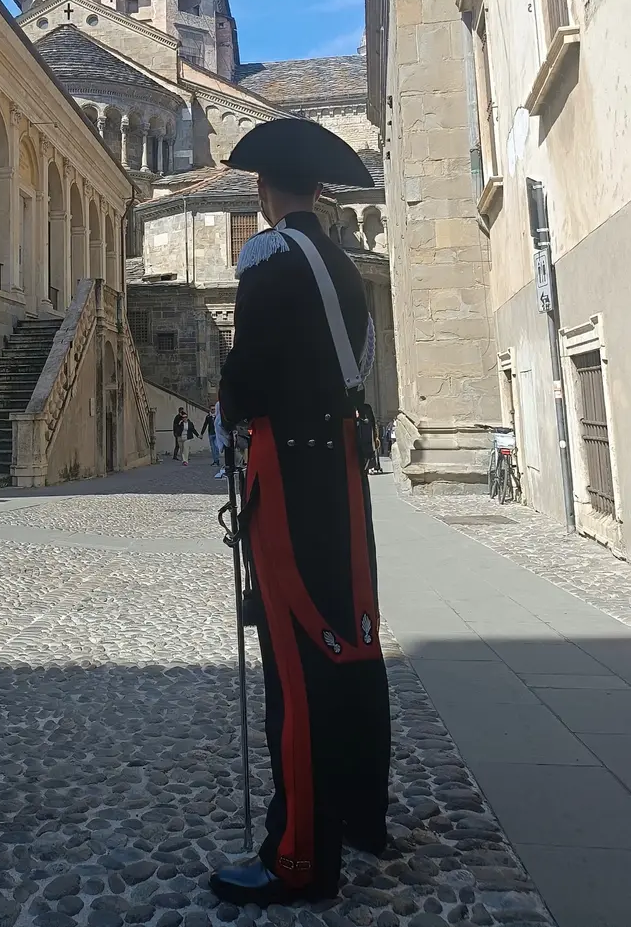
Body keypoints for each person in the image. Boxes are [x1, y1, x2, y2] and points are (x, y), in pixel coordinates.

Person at [210, 118, 390, 909]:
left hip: (288, 471)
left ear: (262, 189)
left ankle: (298, 854)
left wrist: (227, 410)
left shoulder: (269, 255)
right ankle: (359, 811)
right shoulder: (345, 265)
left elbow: (247, 374)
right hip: (341, 473)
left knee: (296, 657)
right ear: (318, 189)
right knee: (348, 637)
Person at [201, 405, 221, 471]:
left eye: (214, 409)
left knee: (216, 447)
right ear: (210, 410)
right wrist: (201, 433)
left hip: (216, 433)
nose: (213, 410)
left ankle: (217, 460)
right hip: (211, 433)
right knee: (213, 448)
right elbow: (205, 425)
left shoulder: (217, 416)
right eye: (212, 409)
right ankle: (215, 460)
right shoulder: (208, 417)